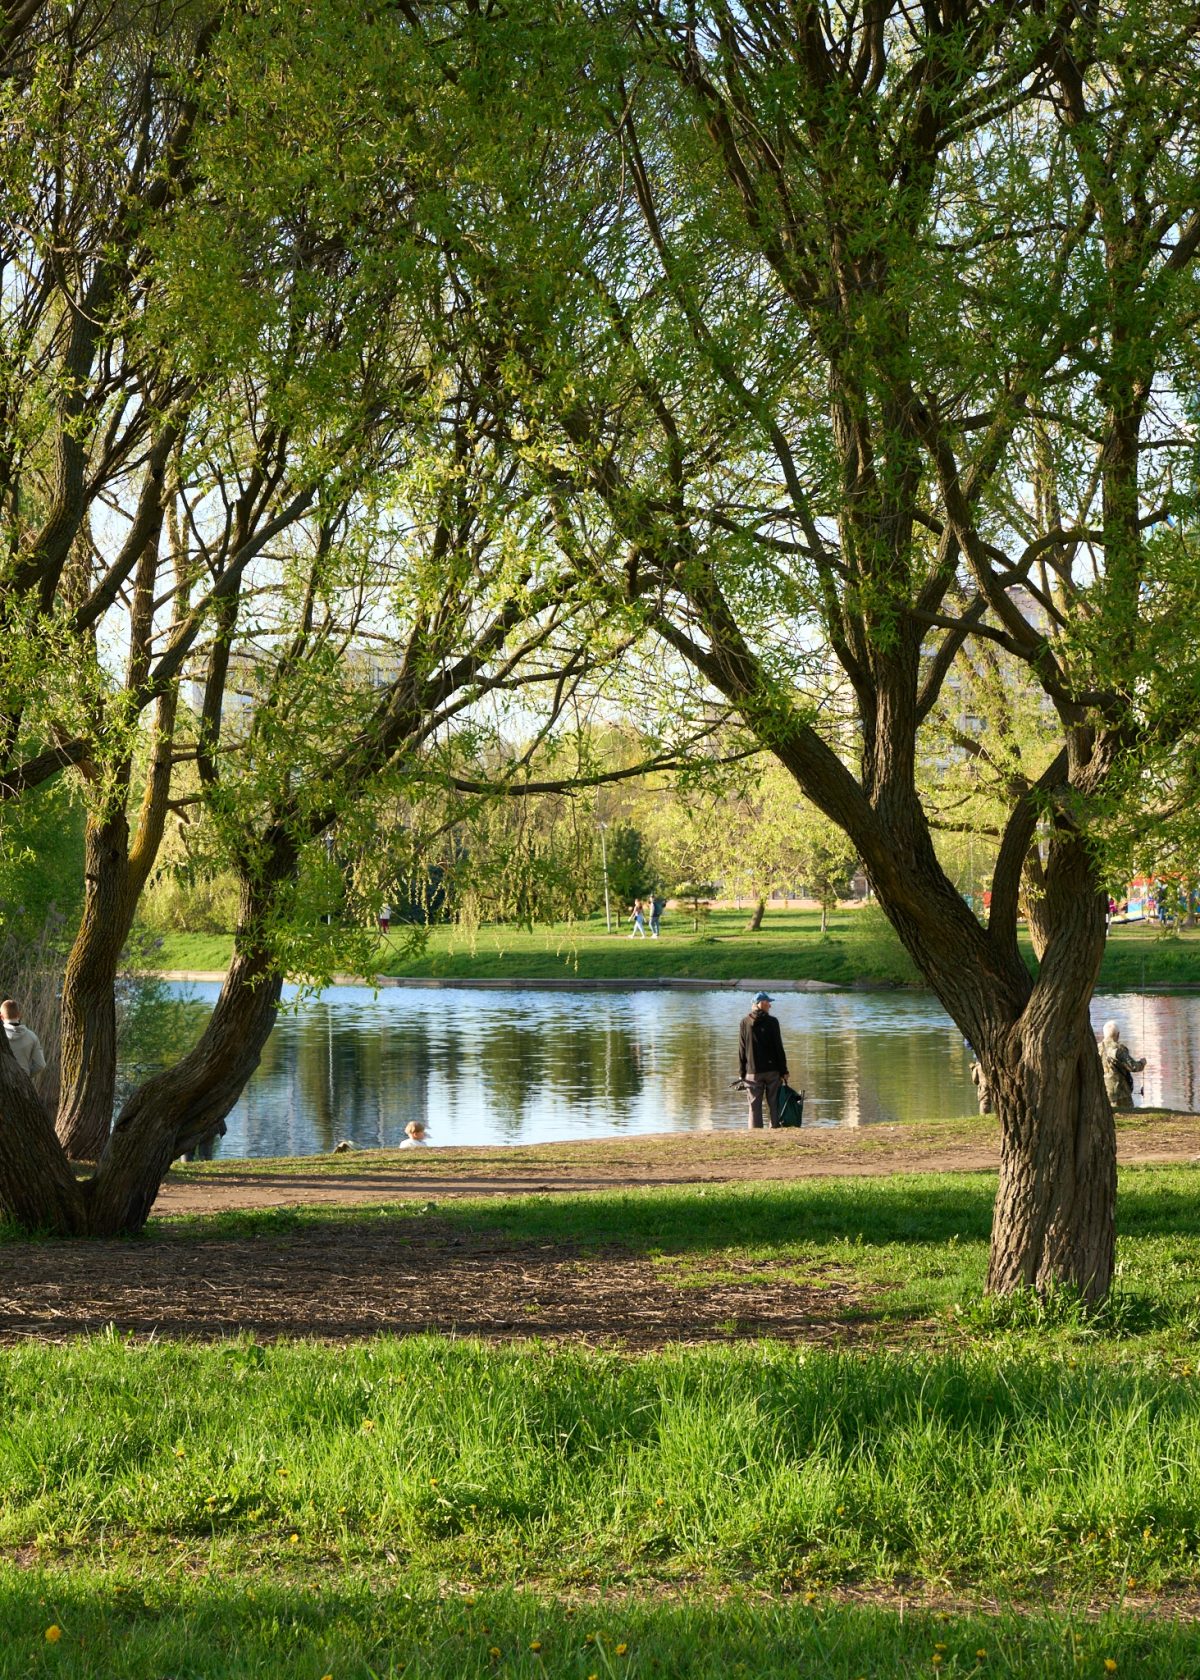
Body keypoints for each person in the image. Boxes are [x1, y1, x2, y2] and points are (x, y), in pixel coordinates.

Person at [738, 992, 790, 1129]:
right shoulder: (772, 1021)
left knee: (754, 1105)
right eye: (768, 1003)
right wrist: (783, 1070)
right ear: (761, 1004)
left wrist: (742, 1073)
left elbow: (742, 1050)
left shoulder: (745, 1022)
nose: (770, 1006)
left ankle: (755, 1132)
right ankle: (774, 1129)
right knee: (774, 1103)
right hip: (772, 1070)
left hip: (752, 1071)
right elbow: (778, 1047)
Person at [1100, 1020, 1145, 1110]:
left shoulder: (1097, 1048)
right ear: (1118, 1034)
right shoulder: (1119, 1048)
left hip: (1103, 1090)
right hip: (1121, 1092)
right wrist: (1142, 1063)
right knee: (1128, 1113)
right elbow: (1133, 1067)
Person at [1, 999, 46, 1078]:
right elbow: (40, 1065)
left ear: (1, 1017)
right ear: (19, 1014)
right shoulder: (31, 1036)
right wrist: (25, 1077)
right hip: (23, 1083)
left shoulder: (2, 1036)